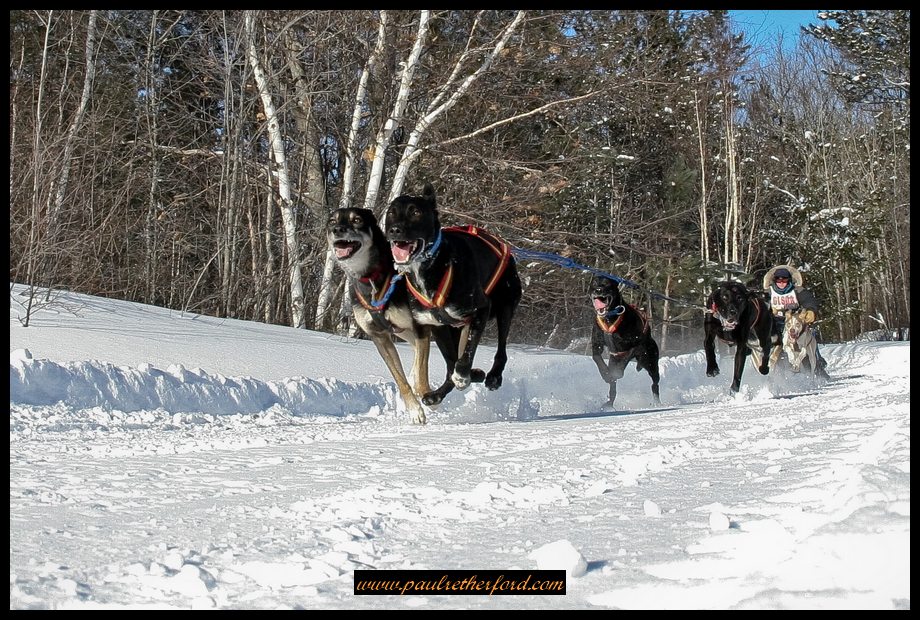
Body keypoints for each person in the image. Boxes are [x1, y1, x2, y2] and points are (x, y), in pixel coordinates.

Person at [763, 265, 828, 376]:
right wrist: (768, 308)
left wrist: (811, 310)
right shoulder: (768, 292)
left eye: (784, 280)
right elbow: (759, 305)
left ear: (789, 280)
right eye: (778, 280)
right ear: (774, 280)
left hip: (795, 320)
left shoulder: (797, 290)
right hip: (775, 323)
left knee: (809, 339)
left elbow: (809, 300)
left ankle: (818, 365)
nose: (781, 282)